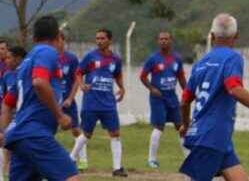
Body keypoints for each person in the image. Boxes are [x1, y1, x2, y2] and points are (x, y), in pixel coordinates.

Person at [0, 15, 80, 181]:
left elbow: (7, 103)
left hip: (19, 136)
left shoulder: (26, 62)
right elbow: (39, 82)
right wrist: (59, 116)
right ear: (57, 37)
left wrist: (4, 131)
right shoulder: (47, 52)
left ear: (34, 37)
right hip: (34, 133)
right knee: (70, 178)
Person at [179, 13, 249, 181]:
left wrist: (186, 124)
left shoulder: (201, 63)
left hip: (215, 137)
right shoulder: (233, 58)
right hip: (212, 137)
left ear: (211, 36)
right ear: (236, 35)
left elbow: (185, 100)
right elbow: (234, 89)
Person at [69, 29, 128, 177]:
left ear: (110, 40)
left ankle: (117, 168)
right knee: (86, 134)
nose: (99, 41)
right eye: (97, 38)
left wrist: (121, 88)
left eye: (102, 38)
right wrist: (82, 85)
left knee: (115, 133)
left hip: (108, 103)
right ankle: (70, 161)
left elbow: (118, 74)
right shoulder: (90, 56)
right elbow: (78, 72)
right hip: (91, 102)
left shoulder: (116, 59)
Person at [139, 31, 188, 168]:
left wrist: (187, 93)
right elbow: (142, 76)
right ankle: (151, 159)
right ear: (157, 41)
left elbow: (181, 77)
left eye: (166, 39)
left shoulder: (176, 58)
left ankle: (188, 158)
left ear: (171, 41)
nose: (164, 41)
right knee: (159, 127)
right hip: (158, 98)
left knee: (181, 126)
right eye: (161, 39)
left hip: (172, 97)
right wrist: (152, 88)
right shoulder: (153, 59)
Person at [0, 46, 26, 181]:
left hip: (24, 118)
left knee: (14, 147)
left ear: (18, 59)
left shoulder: (26, 75)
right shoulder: (7, 75)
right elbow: (0, 98)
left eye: (9, 58)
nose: (6, 61)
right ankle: (1, 175)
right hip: (9, 117)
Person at [58, 30, 87, 169]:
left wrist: (70, 98)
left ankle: (83, 160)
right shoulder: (48, 57)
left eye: (60, 39)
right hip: (52, 101)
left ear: (64, 41)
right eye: (55, 39)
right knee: (46, 130)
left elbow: (77, 79)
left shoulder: (71, 58)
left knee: (76, 129)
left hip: (67, 101)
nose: (58, 42)